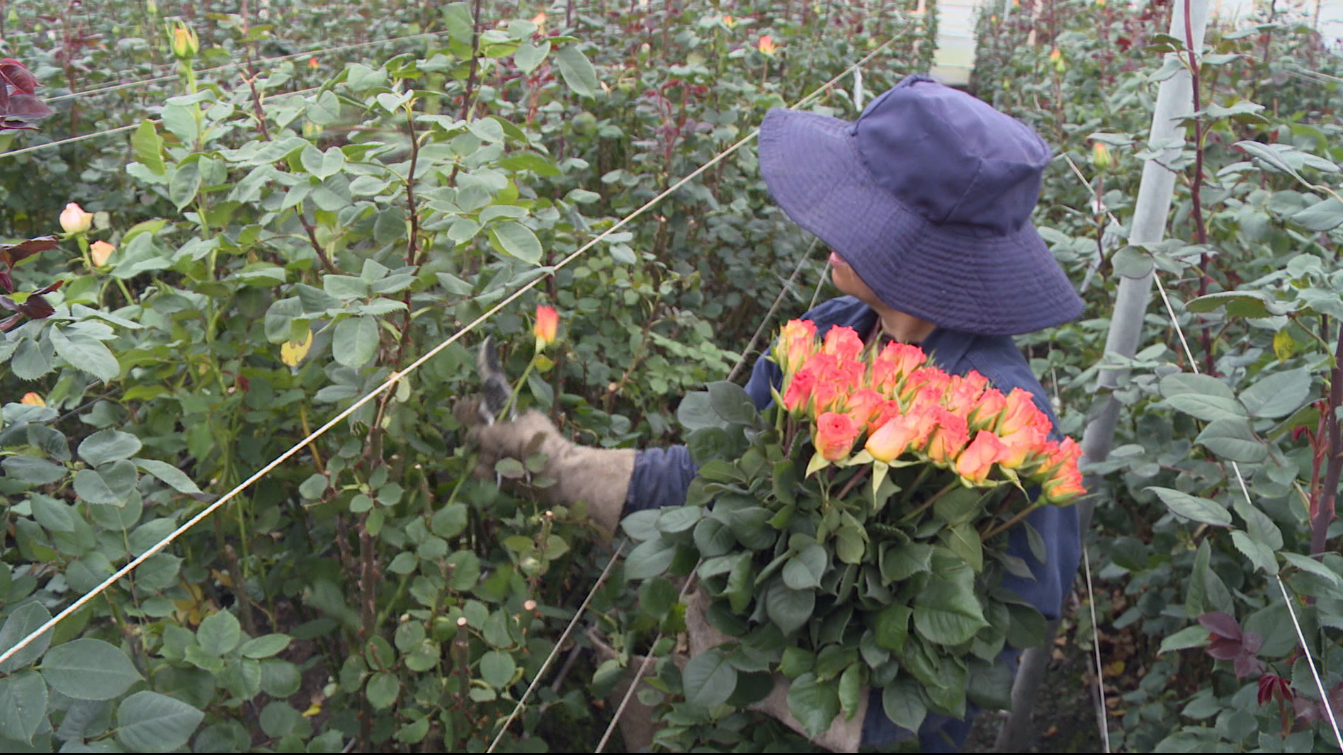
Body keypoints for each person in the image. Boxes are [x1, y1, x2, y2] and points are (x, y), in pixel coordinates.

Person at [464, 74, 1085, 752]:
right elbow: (715, 476)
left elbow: (996, 637)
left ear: (928, 248)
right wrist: (558, 464)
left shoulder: (1009, 429)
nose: (832, 222)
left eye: (865, 210)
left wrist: (828, 708)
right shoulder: (830, 332)